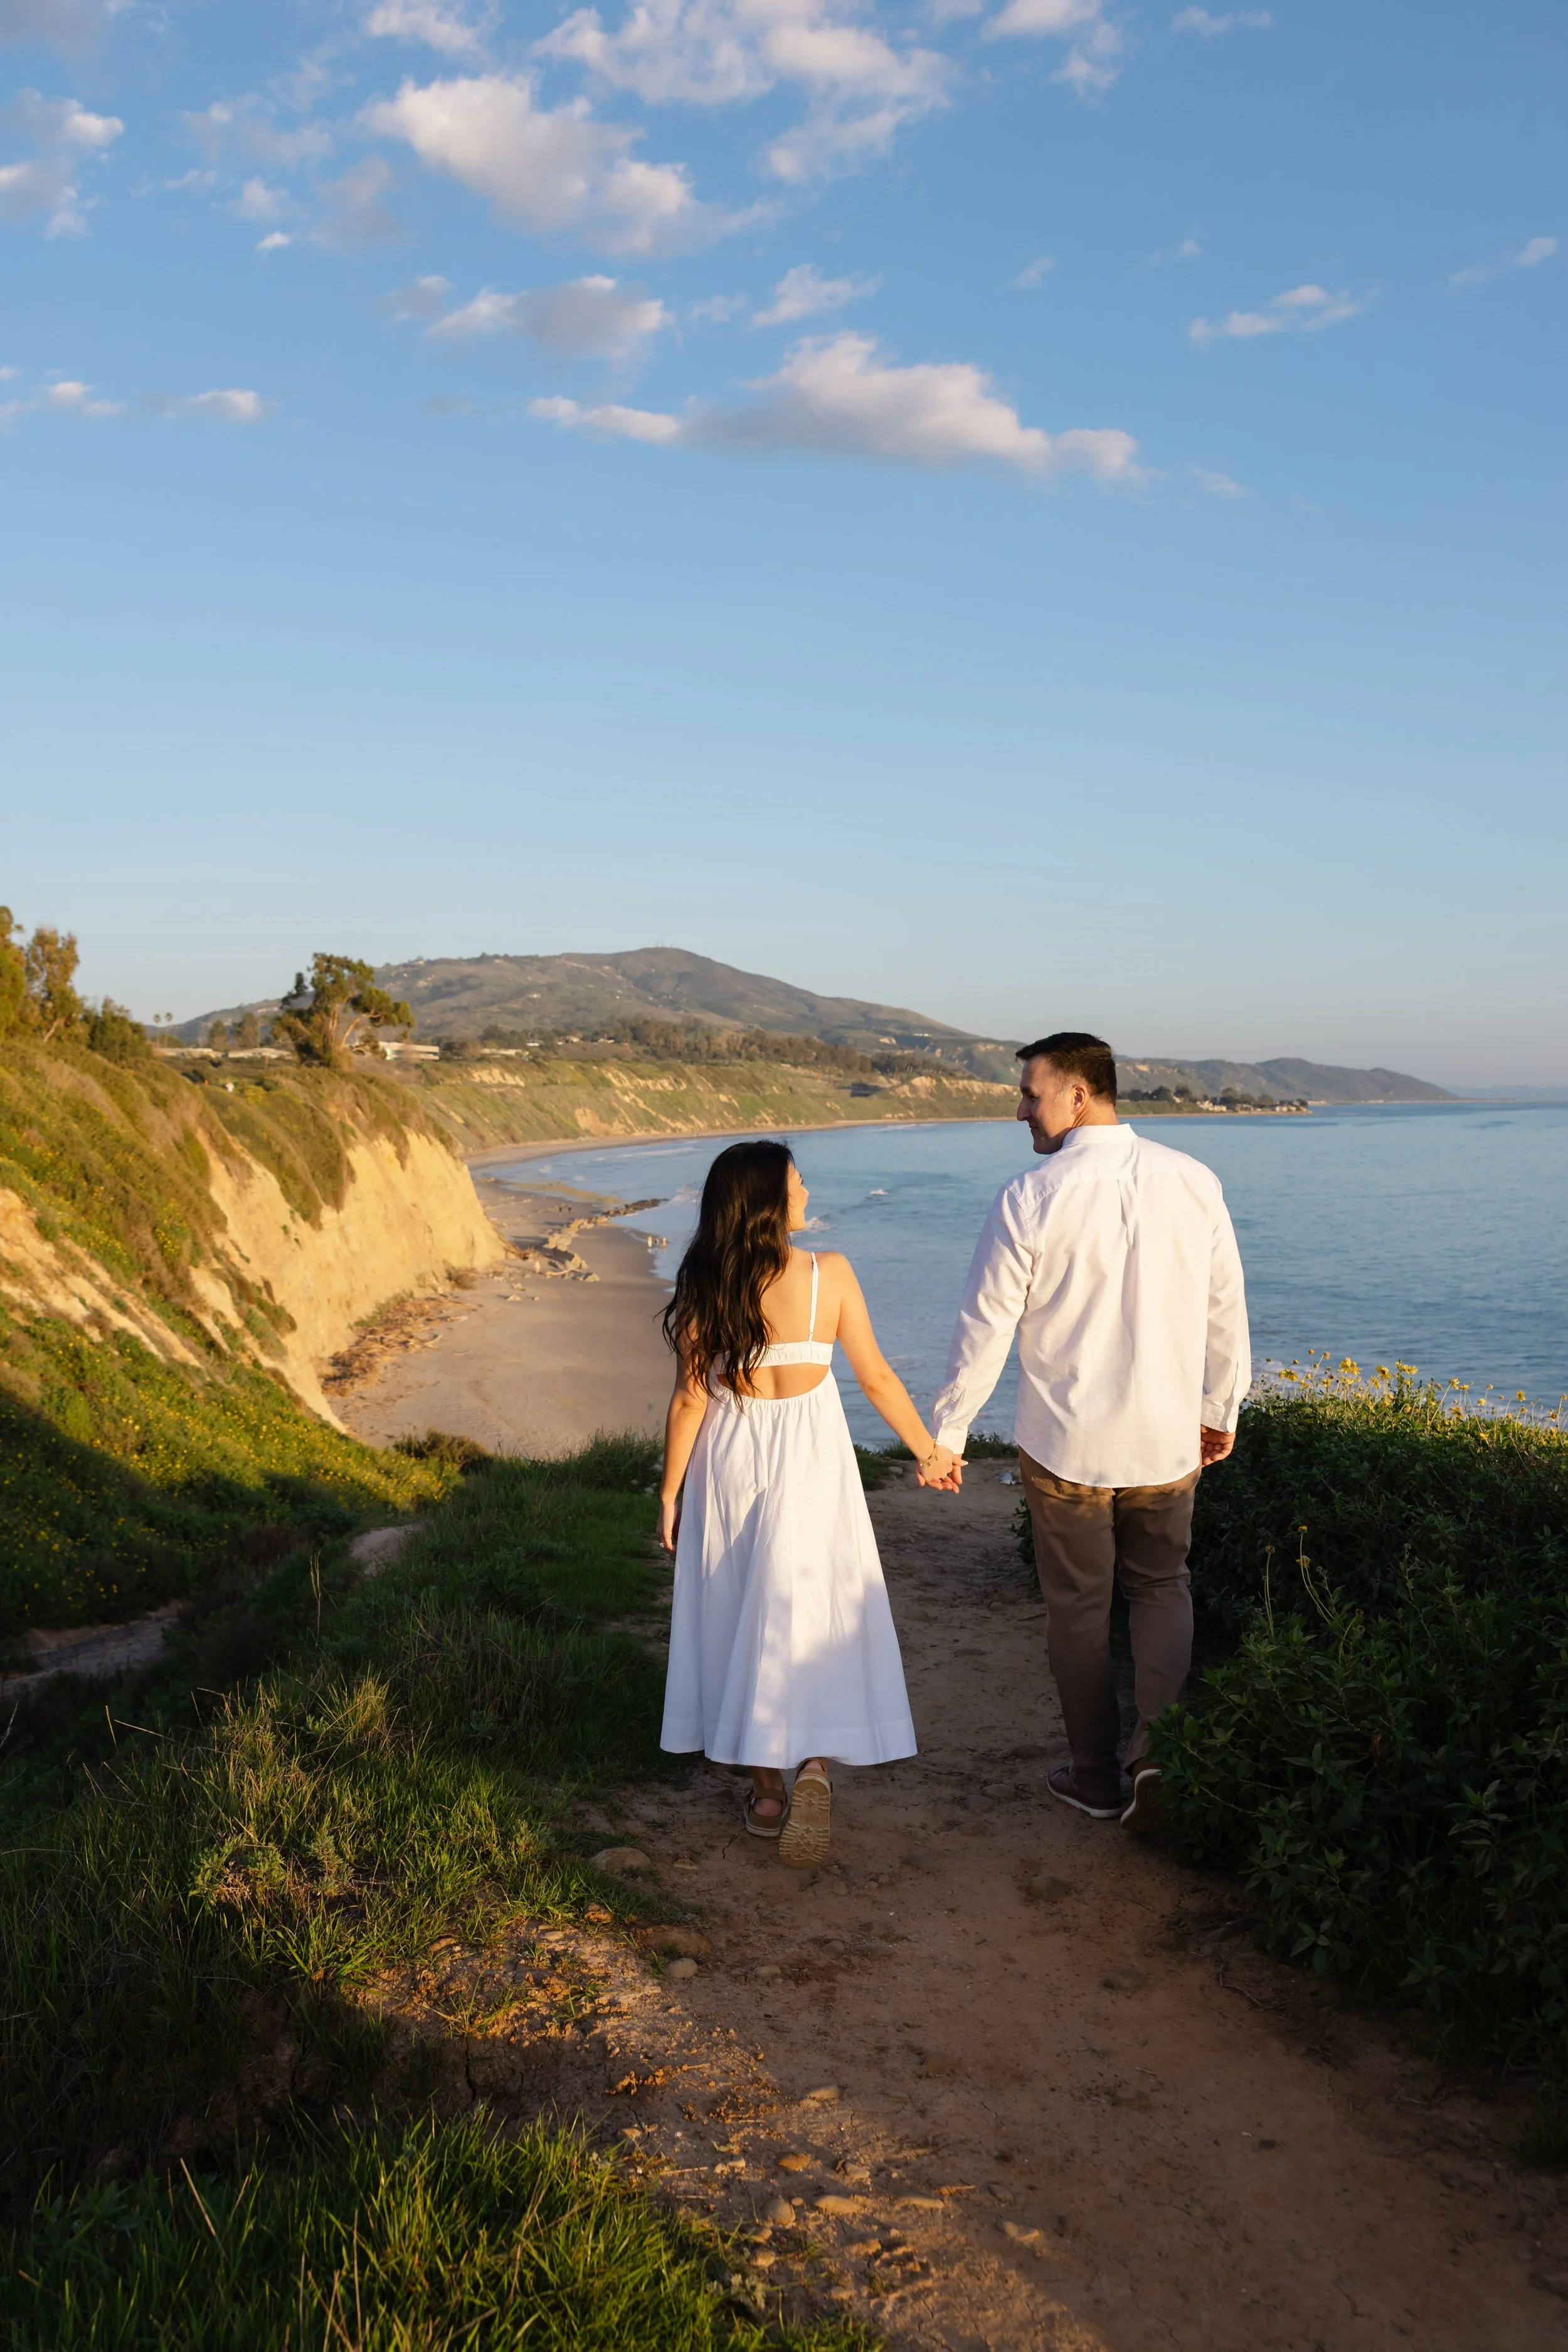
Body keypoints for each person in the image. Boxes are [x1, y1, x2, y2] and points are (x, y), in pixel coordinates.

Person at [930, 1032, 1250, 1831]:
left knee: (1077, 1611)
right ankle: (1160, 1755)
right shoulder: (1194, 1181)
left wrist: (950, 1432)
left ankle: (1096, 1777)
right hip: (1167, 1441)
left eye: (1030, 1094)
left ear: (1079, 1095)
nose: (1019, 1110)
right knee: (1161, 1586)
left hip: (1068, 1444)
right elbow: (1225, 1309)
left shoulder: (1029, 1196)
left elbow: (985, 1327)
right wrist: (1220, 1410)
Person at [657, 1138, 960, 1867]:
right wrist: (928, 1451)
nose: (807, 1191)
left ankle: (765, 1795)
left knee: (737, 1606)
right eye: (797, 1182)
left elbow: (690, 1400)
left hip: (731, 1455)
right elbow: (878, 1378)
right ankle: (814, 1768)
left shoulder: (708, 1280)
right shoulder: (831, 1274)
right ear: (768, 1200)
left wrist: (669, 1492)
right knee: (810, 1606)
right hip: (812, 1461)